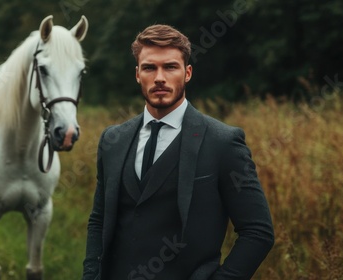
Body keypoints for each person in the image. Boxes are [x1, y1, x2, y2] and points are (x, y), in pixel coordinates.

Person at [82, 24, 274, 280]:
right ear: (138, 74)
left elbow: (257, 232)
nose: (159, 77)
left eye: (170, 67)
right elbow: (99, 220)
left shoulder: (223, 143)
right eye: (150, 67)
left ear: (187, 73)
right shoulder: (113, 140)